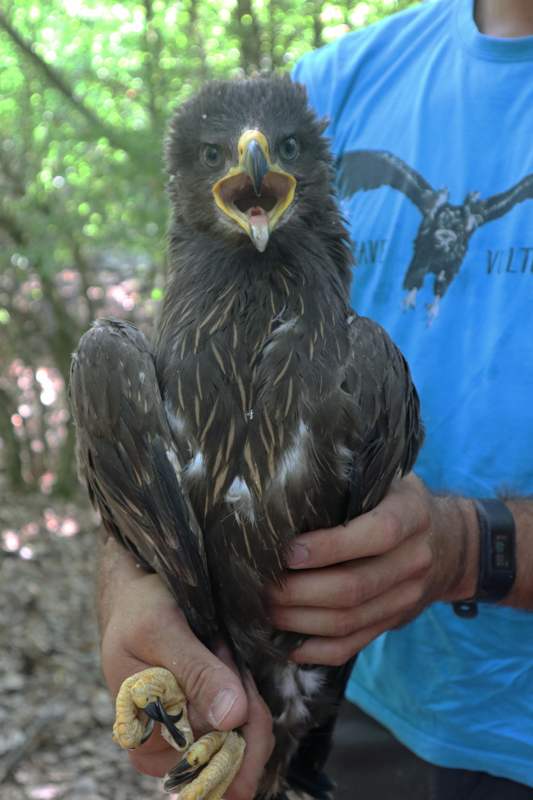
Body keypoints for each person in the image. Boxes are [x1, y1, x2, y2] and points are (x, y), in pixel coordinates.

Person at [99, 1, 533, 798]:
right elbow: (169, 448)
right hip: (365, 715)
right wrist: (138, 581)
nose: (260, 153)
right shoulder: (334, 82)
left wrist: (473, 550)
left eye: (282, 150)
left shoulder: (365, 360)